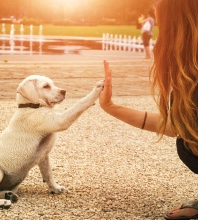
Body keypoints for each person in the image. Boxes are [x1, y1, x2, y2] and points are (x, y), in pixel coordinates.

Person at [99, 0, 198, 219]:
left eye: (163, 27)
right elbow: (175, 127)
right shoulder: (189, 72)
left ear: (178, 26)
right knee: (187, 139)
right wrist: (111, 107)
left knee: (188, 145)